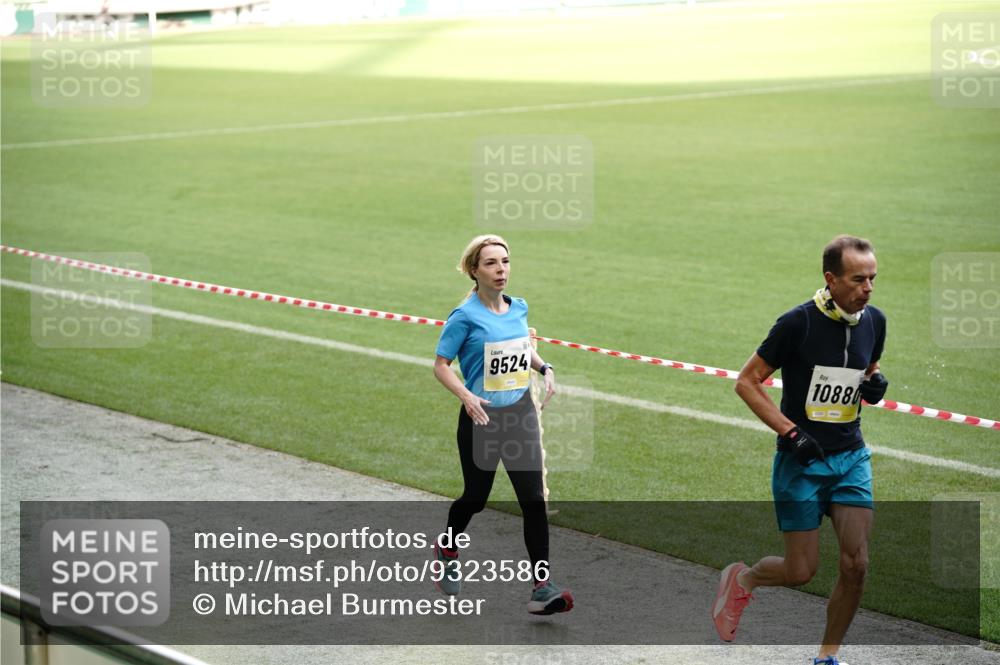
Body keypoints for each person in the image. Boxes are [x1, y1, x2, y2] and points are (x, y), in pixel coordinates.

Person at [713, 235, 889, 665]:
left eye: (872, 278)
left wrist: (875, 384)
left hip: (850, 458)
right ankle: (744, 579)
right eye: (858, 279)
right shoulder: (798, 323)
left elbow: (870, 368)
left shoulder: (875, 321)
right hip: (801, 463)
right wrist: (791, 434)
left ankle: (827, 656)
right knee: (800, 571)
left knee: (856, 565)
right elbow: (746, 382)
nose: (868, 288)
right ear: (831, 279)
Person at [432, 234, 574, 615]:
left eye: (505, 261)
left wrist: (544, 367)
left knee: (533, 500)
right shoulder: (464, 317)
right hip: (481, 417)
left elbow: (521, 347)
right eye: (491, 263)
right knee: (476, 498)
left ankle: (542, 587)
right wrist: (467, 396)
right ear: (474, 270)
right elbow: (441, 366)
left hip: (520, 414)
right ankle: (447, 546)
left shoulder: (518, 307)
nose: (501, 270)